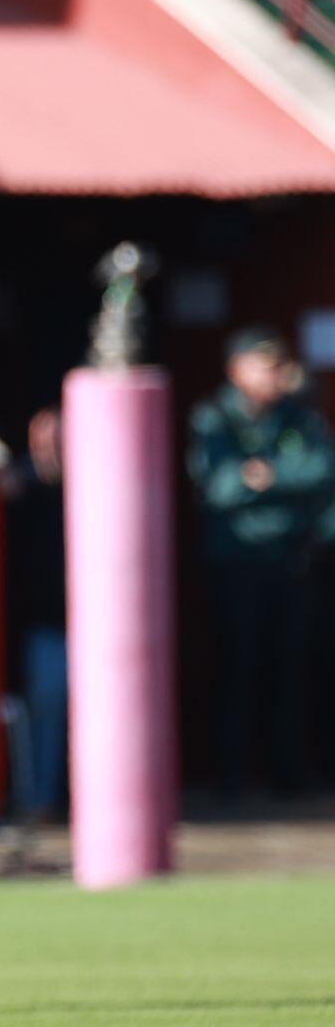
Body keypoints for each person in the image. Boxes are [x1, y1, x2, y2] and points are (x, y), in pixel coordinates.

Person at [187, 326, 334, 798]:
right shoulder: (214, 419)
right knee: (239, 667)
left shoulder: (298, 418)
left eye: (277, 366)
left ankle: (289, 774)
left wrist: (265, 478)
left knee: (292, 669)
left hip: (291, 563)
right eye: (263, 365)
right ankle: (231, 778)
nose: (273, 375)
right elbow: (218, 487)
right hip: (238, 567)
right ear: (238, 369)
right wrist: (266, 483)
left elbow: (320, 470)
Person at [4, 406, 67, 822]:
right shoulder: (23, 489)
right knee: (45, 710)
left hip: (96, 628)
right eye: (42, 441)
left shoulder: (95, 483)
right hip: (44, 624)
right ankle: (41, 798)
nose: (49, 450)